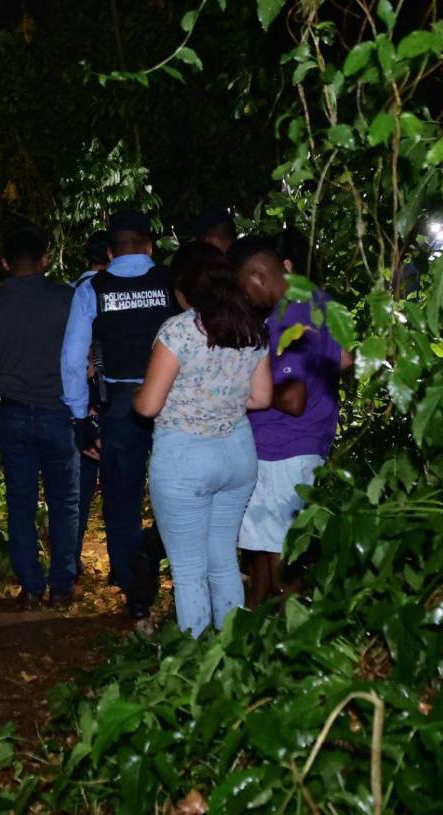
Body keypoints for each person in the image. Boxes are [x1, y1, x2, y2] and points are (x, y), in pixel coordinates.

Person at [132, 243, 272, 636]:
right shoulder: (251, 328)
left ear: (183, 287)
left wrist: (136, 395)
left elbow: (147, 405)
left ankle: (193, 663)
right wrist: (221, 398)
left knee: (190, 570)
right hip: (237, 455)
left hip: (186, 459)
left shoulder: (178, 330)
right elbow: (261, 398)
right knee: (223, 560)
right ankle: (229, 653)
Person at [60, 209, 180, 619]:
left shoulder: (94, 288)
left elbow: (73, 359)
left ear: (110, 252)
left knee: (122, 499)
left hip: (121, 407)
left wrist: (79, 418)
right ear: (149, 245)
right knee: (180, 494)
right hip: (173, 404)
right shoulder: (170, 282)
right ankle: (183, 583)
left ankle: (135, 593)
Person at [231, 231, 353, 608]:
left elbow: (292, 398)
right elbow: (347, 359)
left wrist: (235, 393)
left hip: (282, 451)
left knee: (285, 563)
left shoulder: (289, 316)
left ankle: (293, 643)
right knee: (269, 550)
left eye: (243, 288)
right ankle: (257, 625)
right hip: (304, 446)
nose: (244, 299)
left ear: (257, 276)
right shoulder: (320, 302)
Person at [0, 224, 80, 608]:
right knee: (65, 501)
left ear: (4, 262)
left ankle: (31, 585)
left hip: (12, 415)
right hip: (59, 413)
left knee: (21, 501)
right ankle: (63, 585)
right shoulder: (68, 299)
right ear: (45, 259)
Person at [73, 230, 110, 574]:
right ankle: (123, 564)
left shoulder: (73, 292)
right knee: (113, 483)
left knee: (80, 486)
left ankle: (70, 559)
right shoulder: (102, 291)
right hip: (105, 403)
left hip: (83, 404)